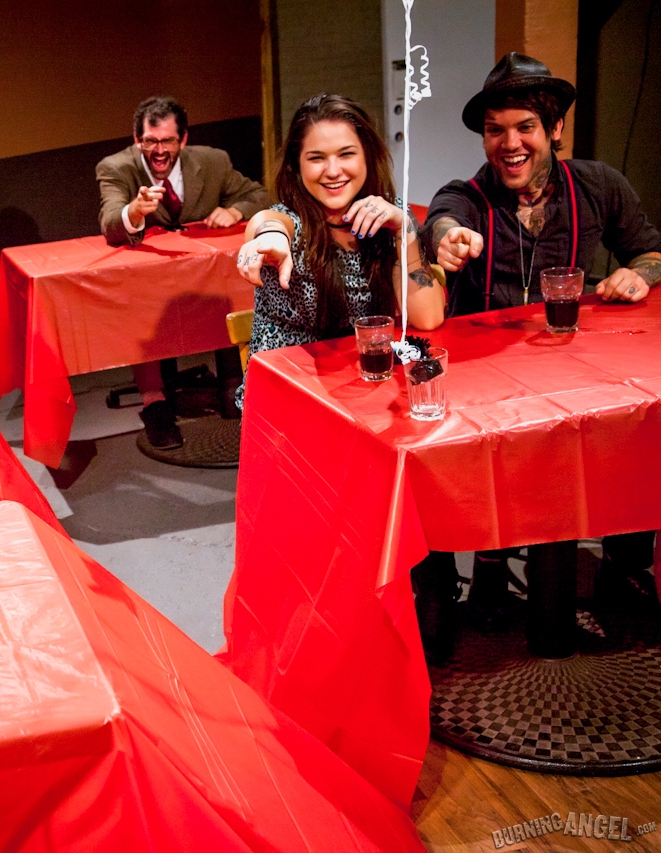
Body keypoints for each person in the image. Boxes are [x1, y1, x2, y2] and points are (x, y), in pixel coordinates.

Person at [420, 53, 661, 653]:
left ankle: (624, 565)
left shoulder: (599, 185)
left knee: (637, 429)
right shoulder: (467, 196)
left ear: (554, 129)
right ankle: (493, 567)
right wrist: (447, 239)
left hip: (575, 375)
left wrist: (639, 273)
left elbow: (652, 251)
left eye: (524, 127)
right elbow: (441, 221)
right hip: (488, 388)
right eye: (495, 130)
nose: (509, 144)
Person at [233, 93, 445, 412]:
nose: (333, 171)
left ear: (367, 156)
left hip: (368, 391)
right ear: (296, 165)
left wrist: (405, 231)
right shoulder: (290, 220)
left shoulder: (390, 217)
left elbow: (427, 320)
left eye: (346, 154)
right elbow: (269, 223)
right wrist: (270, 238)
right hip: (288, 401)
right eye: (316, 158)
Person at [97, 96, 273, 448]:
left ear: (183, 139)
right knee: (139, 306)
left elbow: (260, 195)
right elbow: (110, 220)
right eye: (150, 141)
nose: (159, 151)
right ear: (137, 139)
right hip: (148, 284)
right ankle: (154, 401)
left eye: (168, 141)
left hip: (203, 278)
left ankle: (233, 384)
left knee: (231, 282)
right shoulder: (116, 168)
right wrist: (135, 211)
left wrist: (235, 210)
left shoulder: (212, 161)